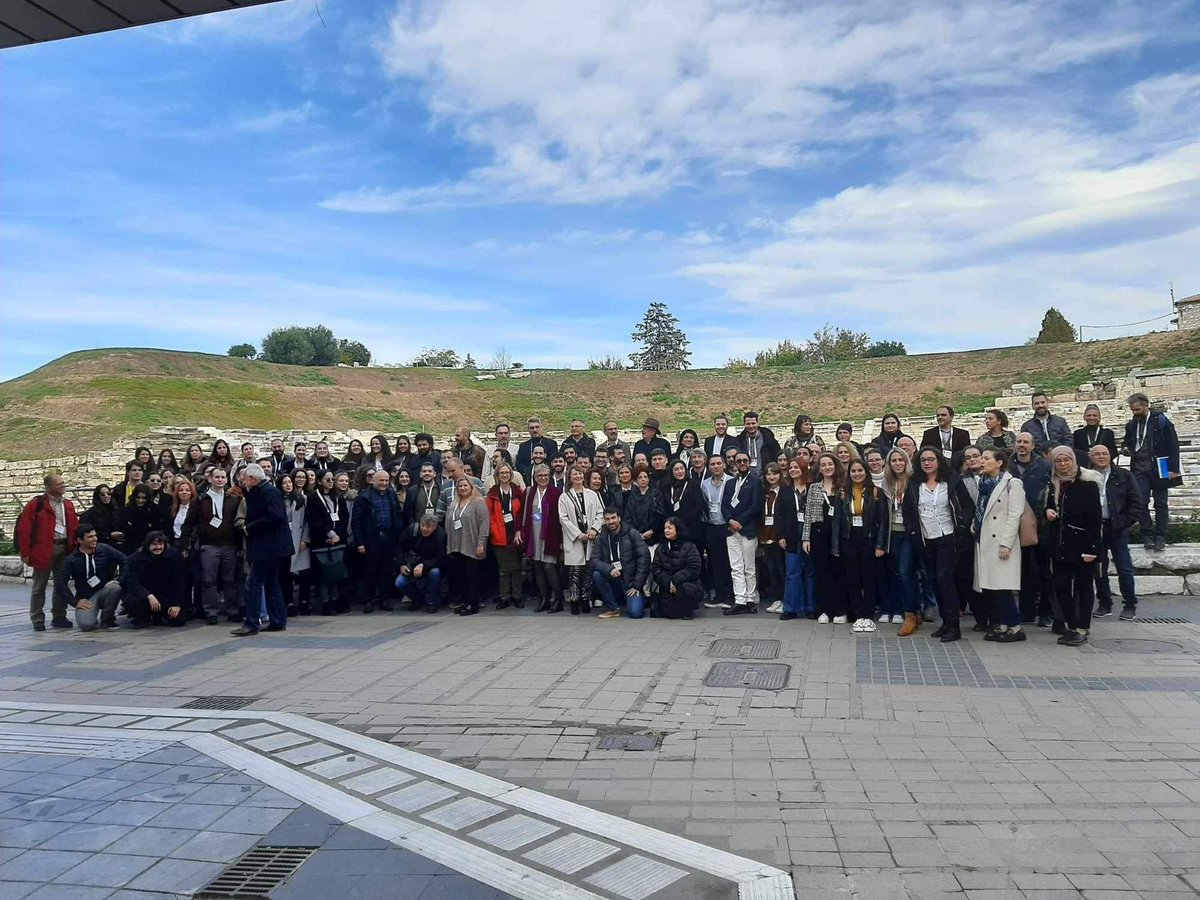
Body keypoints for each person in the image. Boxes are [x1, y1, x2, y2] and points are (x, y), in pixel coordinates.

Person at [905, 447, 975, 642]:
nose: (927, 463)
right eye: (923, 460)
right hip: (926, 539)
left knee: (945, 579)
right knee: (934, 580)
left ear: (938, 461)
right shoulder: (914, 484)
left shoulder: (951, 481)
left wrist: (961, 526)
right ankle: (945, 623)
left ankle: (954, 626)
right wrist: (912, 532)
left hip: (948, 537)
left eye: (931, 459)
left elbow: (968, 505)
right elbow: (909, 511)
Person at [1046, 447, 1103, 647]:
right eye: (1058, 461)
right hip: (1060, 544)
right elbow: (1048, 505)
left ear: (1073, 460)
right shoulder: (1053, 482)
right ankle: (1071, 624)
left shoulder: (1088, 485)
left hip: (1082, 544)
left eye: (1066, 460)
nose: (1062, 464)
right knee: (1061, 587)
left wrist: (1093, 549)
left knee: (1083, 587)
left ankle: (1082, 627)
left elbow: (1095, 519)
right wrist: (1049, 512)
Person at [230, 464, 292, 636]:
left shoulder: (269, 491)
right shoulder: (257, 492)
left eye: (243, 478)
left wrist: (250, 528)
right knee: (271, 584)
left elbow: (275, 516)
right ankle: (277, 621)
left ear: (252, 478)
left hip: (269, 546)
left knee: (253, 583)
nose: (241, 481)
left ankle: (251, 623)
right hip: (266, 545)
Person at [972, 449, 1026, 643]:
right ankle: (1003, 624)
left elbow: (1014, 515)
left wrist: (1006, 543)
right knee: (991, 587)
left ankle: (1015, 626)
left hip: (1002, 543)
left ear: (999, 463)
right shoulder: (984, 483)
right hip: (984, 539)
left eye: (986, 458)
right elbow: (982, 507)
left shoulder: (1013, 483)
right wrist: (975, 524)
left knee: (1002, 587)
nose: (982, 461)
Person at [182, 466, 246, 625]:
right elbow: (189, 523)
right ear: (210, 479)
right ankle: (211, 611)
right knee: (208, 581)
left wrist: (239, 547)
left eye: (223, 477)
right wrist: (186, 544)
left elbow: (238, 524)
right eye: (217, 477)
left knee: (230, 580)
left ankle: (232, 609)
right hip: (209, 546)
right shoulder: (200, 500)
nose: (220, 480)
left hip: (230, 546)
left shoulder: (233, 499)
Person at [18, 472, 81, 632]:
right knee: (39, 586)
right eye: (59, 483)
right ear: (48, 487)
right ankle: (37, 618)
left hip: (64, 547)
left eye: (63, 483)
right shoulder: (36, 504)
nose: (63, 486)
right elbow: (24, 530)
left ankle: (59, 616)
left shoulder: (67, 504)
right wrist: (25, 553)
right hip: (44, 548)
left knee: (61, 583)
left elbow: (74, 526)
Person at [1089, 444, 1144, 621]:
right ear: (1091, 457)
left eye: (1104, 453)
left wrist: (1124, 522)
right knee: (1099, 569)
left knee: (1124, 568)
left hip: (1118, 528)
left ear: (1110, 455)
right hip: (1096, 528)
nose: (1101, 456)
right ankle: (1104, 604)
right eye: (1097, 454)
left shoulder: (1124, 475)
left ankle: (1129, 605)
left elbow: (1136, 503)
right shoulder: (1086, 476)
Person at [832, 459, 886, 633]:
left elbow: (882, 520)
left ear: (866, 471)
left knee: (868, 578)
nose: (857, 474)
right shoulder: (842, 492)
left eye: (860, 470)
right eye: (853, 471)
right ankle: (857, 615)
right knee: (852, 578)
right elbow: (837, 521)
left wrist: (880, 544)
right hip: (849, 538)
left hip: (868, 538)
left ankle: (868, 615)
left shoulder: (876, 492)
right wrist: (836, 546)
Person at [1123, 392, 1179, 552]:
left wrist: (1174, 469)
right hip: (1139, 469)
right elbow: (1127, 442)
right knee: (1140, 503)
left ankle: (1161, 536)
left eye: (1137, 409)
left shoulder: (1161, 421)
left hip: (1160, 466)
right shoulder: (1132, 424)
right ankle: (1147, 535)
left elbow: (1173, 445)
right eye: (1133, 410)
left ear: (1146, 405)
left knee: (1161, 503)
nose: (1135, 413)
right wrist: (1126, 449)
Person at [1010, 432, 1055, 626]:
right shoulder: (1008, 465)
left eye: (1025, 442)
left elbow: (1050, 491)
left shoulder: (1044, 465)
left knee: (1045, 571)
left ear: (1033, 445)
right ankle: (1026, 612)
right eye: (1019, 442)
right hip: (1015, 524)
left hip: (1041, 524)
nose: (1022, 445)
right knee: (1024, 571)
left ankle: (1046, 612)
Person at [351, 469, 404, 614]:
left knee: (386, 570)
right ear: (373, 480)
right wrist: (360, 542)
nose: (384, 483)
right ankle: (369, 600)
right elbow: (356, 521)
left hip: (388, 537)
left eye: (386, 481)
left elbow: (397, 515)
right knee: (370, 570)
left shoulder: (391, 495)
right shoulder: (363, 497)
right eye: (381, 480)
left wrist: (396, 534)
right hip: (371, 539)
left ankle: (384, 599)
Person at [58, 523, 128, 632]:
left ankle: (107, 619)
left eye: (95, 536)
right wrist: (75, 602)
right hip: (87, 598)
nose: (94, 539)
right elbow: (60, 583)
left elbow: (124, 560)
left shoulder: (104, 549)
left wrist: (119, 580)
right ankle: (91, 616)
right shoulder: (71, 559)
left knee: (115, 588)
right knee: (86, 626)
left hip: (105, 590)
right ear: (80, 540)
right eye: (90, 537)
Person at [803, 453, 846, 624]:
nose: (827, 467)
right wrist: (806, 538)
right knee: (822, 572)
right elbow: (808, 515)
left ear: (835, 466)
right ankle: (825, 610)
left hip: (839, 534)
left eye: (830, 464)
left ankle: (840, 610)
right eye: (823, 465)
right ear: (819, 468)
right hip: (819, 532)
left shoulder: (843, 487)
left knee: (839, 572)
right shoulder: (814, 488)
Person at [881, 449, 920, 634]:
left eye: (900, 460)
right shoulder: (887, 483)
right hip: (893, 532)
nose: (897, 463)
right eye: (893, 460)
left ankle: (910, 614)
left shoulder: (914, 481)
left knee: (906, 571)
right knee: (901, 573)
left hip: (909, 532)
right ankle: (914, 609)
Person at [558, 465, 604, 615]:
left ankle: (585, 599)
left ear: (583, 476)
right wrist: (578, 534)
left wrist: (594, 529)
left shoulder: (592, 494)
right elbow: (563, 519)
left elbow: (600, 513)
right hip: (575, 539)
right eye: (574, 474)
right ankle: (574, 600)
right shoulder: (564, 497)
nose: (577, 476)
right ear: (570, 478)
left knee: (588, 571)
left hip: (590, 537)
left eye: (579, 474)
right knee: (574, 572)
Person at [590, 507, 650, 619]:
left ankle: (636, 600)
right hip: (613, 577)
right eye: (607, 519)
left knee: (635, 613)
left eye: (613, 518)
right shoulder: (602, 536)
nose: (611, 521)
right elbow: (594, 560)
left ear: (619, 518)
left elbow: (644, 558)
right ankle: (613, 608)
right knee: (597, 575)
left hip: (631, 582)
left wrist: (637, 585)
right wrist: (609, 569)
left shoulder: (632, 533)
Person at [443, 476, 489, 616]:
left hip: (472, 545)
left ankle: (473, 604)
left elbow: (484, 524)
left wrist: (481, 543)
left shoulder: (478, 502)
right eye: (460, 486)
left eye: (465, 486)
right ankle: (465, 602)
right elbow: (447, 523)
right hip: (456, 546)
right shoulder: (454, 503)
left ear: (471, 487)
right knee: (460, 576)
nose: (463, 488)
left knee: (471, 576)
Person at [522, 464, 564, 613]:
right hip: (534, 534)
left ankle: (558, 600)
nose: (543, 478)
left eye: (545, 475)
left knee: (549, 567)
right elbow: (525, 513)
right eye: (540, 476)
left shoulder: (556, 493)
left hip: (550, 535)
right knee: (538, 567)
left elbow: (560, 518)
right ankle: (544, 599)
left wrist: (560, 541)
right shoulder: (530, 492)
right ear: (535, 477)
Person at [306, 469, 349, 615]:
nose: (331, 482)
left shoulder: (338, 498)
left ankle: (335, 600)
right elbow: (314, 520)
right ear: (319, 481)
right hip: (321, 541)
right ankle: (325, 603)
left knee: (336, 572)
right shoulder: (313, 498)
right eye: (328, 479)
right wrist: (329, 533)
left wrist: (338, 535)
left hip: (338, 541)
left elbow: (344, 518)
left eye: (332, 479)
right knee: (324, 574)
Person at [125, 531, 187, 628]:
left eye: (160, 544)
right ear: (147, 545)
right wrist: (148, 595)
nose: (158, 547)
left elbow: (179, 582)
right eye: (154, 544)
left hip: (166, 595)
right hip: (145, 596)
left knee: (178, 620)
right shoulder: (134, 559)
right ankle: (142, 616)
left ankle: (160, 616)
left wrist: (177, 604)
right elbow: (133, 583)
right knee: (133, 601)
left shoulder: (174, 556)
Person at [777, 455, 814, 621]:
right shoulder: (785, 490)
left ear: (803, 469)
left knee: (811, 571)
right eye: (790, 468)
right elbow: (779, 515)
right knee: (792, 570)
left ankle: (812, 607)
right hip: (791, 532)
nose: (792, 470)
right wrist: (781, 535)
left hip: (811, 532)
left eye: (796, 467)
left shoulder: (812, 487)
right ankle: (791, 608)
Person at [486, 464, 525, 610]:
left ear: (511, 474)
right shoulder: (492, 493)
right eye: (501, 473)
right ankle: (505, 597)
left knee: (516, 567)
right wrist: (493, 530)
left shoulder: (518, 491)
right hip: (499, 534)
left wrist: (519, 531)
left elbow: (522, 512)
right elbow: (489, 514)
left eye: (507, 472)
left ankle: (517, 596)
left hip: (515, 534)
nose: (504, 475)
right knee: (503, 569)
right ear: (497, 475)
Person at [651, 517, 702, 619]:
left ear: (677, 529)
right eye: (665, 528)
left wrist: (675, 579)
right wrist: (667, 581)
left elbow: (694, 568)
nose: (666, 530)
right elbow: (655, 569)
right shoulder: (661, 548)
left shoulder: (689, 546)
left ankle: (688, 610)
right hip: (667, 585)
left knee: (685, 589)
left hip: (684, 583)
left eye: (670, 528)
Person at [701, 455, 734, 610]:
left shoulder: (731, 481)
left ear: (724, 465)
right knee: (716, 562)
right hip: (712, 526)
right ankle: (720, 594)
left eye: (719, 463)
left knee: (730, 562)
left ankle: (731, 595)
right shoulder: (705, 484)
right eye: (712, 464)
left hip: (727, 526)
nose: (716, 466)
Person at [395, 514, 447, 612]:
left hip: (430, 566)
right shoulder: (411, 530)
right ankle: (417, 599)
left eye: (428, 526)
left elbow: (441, 559)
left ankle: (432, 602)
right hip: (411, 565)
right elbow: (399, 548)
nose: (424, 529)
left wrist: (424, 565)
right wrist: (401, 564)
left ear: (435, 526)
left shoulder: (441, 535)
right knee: (400, 582)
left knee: (435, 573)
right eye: (422, 525)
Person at [280, 472, 311, 616]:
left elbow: (306, 521)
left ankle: (305, 601)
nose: (288, 485)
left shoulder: (301, 499)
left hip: (300, 539)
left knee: (304, 572)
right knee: (285, 573)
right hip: (284, 539)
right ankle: (289, 602)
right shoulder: (277, 500)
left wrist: (305, 539)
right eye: (285, 483)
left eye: (289, 483)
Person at [759, 463, 786, 615]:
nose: (771, 477)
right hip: (766, 534)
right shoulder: (764, 493)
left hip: (779, 535)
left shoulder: (784, 491)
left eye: (774, 473)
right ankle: (776, 598)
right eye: (768, 474)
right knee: (772, 569)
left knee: (782, 568)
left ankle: (784, 599)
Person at [1021, 391, 1072, 456]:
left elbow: (1068, 440)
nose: (1040, 405)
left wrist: (1063, 454)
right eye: (1037, 403)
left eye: (1042, 402)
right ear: (1032, 406)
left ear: (1047, 403)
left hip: (1060, 457)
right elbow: (1026, 446)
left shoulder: (1060, 421)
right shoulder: (1027, 426)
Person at [120, 485, 164, 552]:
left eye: (144, 498)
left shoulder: (155, 509)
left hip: (150, 546)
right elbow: (124, 527)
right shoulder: (127, 510)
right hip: (131, 545)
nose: (140, 501)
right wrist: (146, 526)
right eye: (138, 497)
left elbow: (157, 529)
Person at [1072, 404, 1118, 469]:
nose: (1091, 418)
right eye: (1089, 415)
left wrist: (1100, 458)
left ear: (1099, 418)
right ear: (1084, 417)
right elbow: (1075, 451)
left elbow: (1113, 451)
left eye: (1094, 415)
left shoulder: (1108, 433)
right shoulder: (1078, 433)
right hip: (1085, 467)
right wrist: (1086, 456)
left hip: (1104, 466)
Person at [736, 412, 780, 477]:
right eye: (748, 424)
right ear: (744, 424)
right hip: (746, 476)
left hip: (765, 476)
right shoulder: (740, 440)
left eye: (753, 423)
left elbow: (776, 455)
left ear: (757, 423)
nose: (751, 426)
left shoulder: (768, 438)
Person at [516, 417, 557, 482]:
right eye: (532, 428)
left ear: (541, 428)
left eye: (537, 427)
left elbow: (553, 461)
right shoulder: (523, 446)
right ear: (528, 430)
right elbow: (519, 464)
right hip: (528, 479)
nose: (535, 430)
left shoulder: (551, 444)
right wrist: (528, 472)